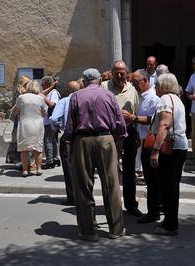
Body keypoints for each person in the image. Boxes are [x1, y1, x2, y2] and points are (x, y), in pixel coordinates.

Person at [65, 68, 126, 241]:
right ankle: (116, 229)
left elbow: (70, 124)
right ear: (100, 80)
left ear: (84, 81)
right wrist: (119, 141)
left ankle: (88, 231)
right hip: (106, 139)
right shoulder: (109, 96)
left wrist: (69, 144)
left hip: (82, 141)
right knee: (111, 185)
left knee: (84, 187)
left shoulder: (76, 96)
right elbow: (119, 123)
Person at [101, 60, 142, 217]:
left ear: (127, 73)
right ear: (111, 72)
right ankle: (111, 205)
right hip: (109, 133)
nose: (119, 75)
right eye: (116, 72)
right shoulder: (104, 87)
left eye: (122, 72)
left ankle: (131, 205)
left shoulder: (132, 89)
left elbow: (136, 111)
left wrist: (132, 117)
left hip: (128, 133)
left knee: (130, 171)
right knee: (109, 171)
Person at [149, 73, 188, 235]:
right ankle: (170, 221)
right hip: (180, 145)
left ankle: (171, 225)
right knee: (172, 186)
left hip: (170, 146)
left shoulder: (165, 99)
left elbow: (165, 124)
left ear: (163, 86)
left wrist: (155, 150)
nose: (155, 87)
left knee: (168, 187)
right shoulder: (177, 99)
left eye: (157, 85)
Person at [127, 70, 160, 223]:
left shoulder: (153, 98)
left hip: (150, 141)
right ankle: (156, 208)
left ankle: (154, 211)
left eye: (135, 82)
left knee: (152, 180)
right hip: (141, 140)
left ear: (145, 80)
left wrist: (133, 118)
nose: (133, 84)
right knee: (150, 178)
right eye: (132, 82)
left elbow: (154, 120)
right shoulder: (139, 96)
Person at [50, 80, 81, 206]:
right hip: (81, 136)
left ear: (68, 90)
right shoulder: (82, 100)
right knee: (81, 167)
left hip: (68, 137)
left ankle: (72, 197)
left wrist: (57, 128)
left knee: (68, 168)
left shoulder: (64, 101)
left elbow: (55, 118)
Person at [12, 80, 47, 177]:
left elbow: (16, 111)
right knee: (38, 148)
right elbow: (44, 113)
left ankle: (25, 170)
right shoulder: (40, 98)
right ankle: (39, 169)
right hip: (37, 125)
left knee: (24, 149)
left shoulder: (21, 97)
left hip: (25, 124)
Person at [6, 76, 31, 167]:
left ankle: (20, 161)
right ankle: (22, 162)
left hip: (20, 118)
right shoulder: (22, 92)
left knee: (19, 139)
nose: (29, 84)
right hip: (22, 118)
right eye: (27, 82)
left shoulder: (18, 91)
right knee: (22, 139)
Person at [41, 76, 61, 169]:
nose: (41, 86)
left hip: (50, 121)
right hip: (47, 120)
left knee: (48, 141)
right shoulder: (49, 92)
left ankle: (50, 161)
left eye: (43, 84)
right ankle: (55, 158)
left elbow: (52, 104)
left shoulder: (54, 93)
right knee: (52, 140)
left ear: (47, 84)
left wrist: (44, 98)